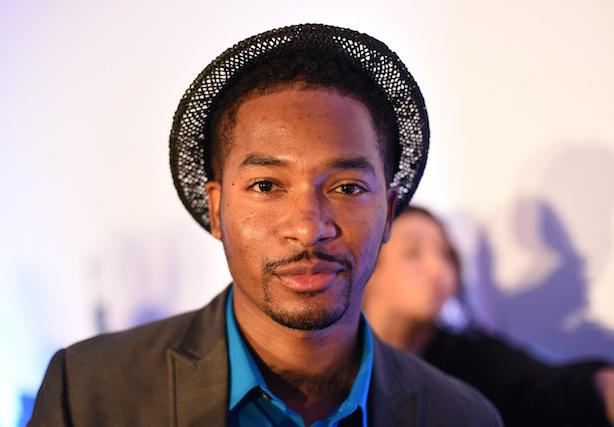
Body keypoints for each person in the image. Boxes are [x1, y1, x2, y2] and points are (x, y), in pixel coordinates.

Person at [28, 24, 502, 426]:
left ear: (390, 212)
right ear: (216, 211)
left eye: (347, 188)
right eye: (265, 186)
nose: (308, 227)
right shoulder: (91, 392)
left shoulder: (463, 415)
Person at [362, 205, 614, 426]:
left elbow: (552, 387)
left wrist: (602, 385)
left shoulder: (472, 357)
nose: (437, 267)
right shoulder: (336, 355)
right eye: (412, 253)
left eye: (445, 253)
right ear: (368, 264)